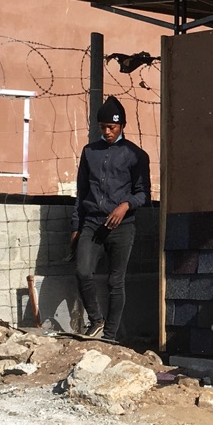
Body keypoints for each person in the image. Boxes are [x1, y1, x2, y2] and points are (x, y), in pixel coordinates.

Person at [72, 96, 150, 341]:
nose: (107, 132)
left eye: (112, 127)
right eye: (103, 127)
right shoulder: (89, 152)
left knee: (115, 281)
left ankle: (110, 336)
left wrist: (124, 206)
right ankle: (96, 320)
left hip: (122, 226)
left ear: (122, 126)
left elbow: (144, 194)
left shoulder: (136, 155)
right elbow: (81, 191)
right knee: (83, 271)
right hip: (92, 222)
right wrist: (76, 226)